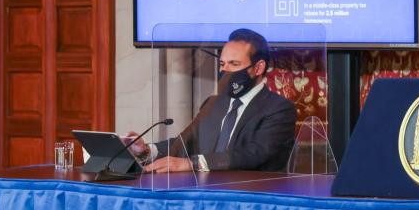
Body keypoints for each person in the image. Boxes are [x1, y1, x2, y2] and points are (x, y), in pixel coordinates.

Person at [126, 28, 297, 172]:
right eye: (222, 64)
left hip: (250, 199)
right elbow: (185, 143)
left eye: (234, 64)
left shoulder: (279, 108)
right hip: (204, 195)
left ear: (258, 67)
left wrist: (191, 164)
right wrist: (146, 150)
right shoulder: (214, 103)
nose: (225, 71)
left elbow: (254, 153)